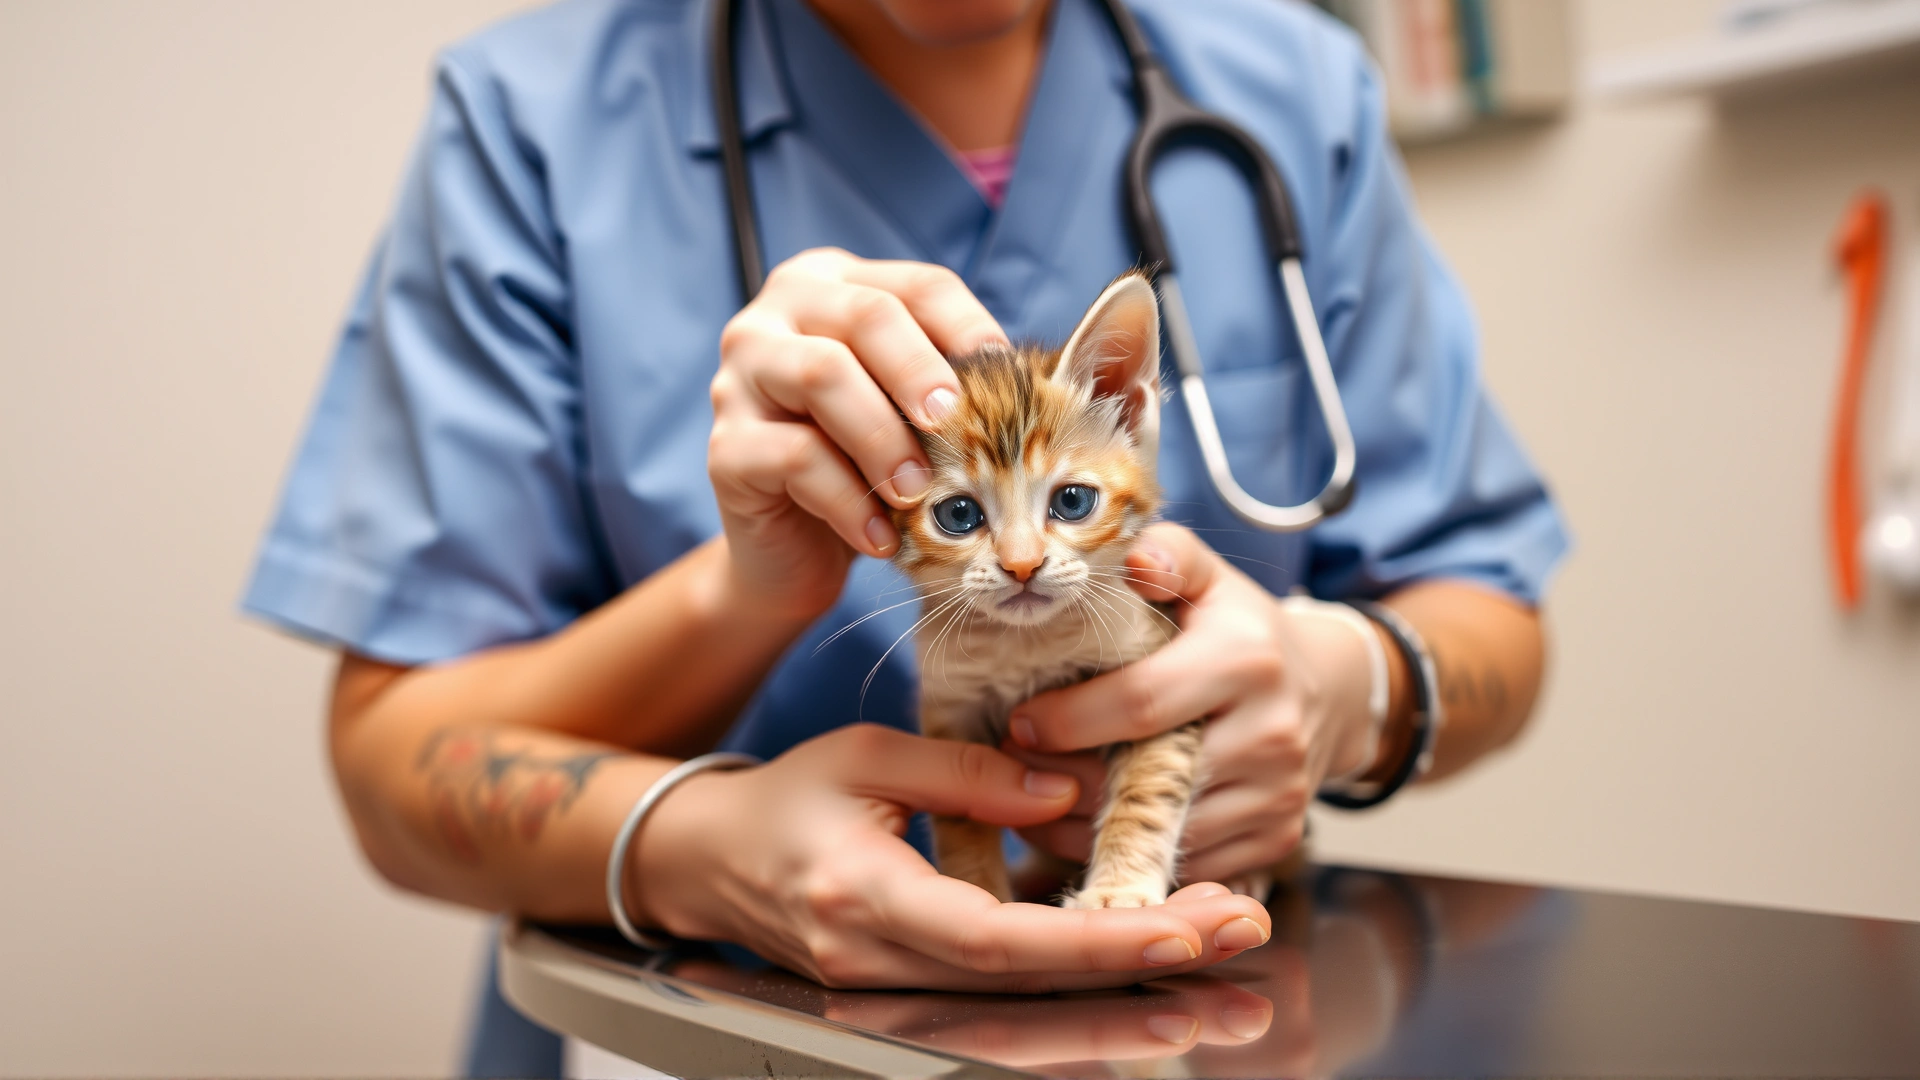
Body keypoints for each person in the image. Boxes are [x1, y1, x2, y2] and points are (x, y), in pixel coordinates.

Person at [242, 0, 1568, 1073]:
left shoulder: (1289, 83)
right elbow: (392, 770)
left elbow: (1491, 614)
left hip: (1210, 1019)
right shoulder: (534, 120)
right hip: (702, 1043)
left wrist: (1351, 684)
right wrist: (702, 828)